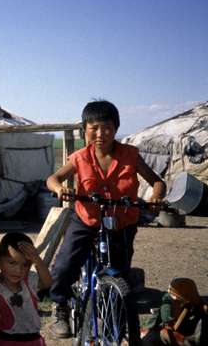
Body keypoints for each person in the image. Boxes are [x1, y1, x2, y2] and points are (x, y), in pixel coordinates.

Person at [46, 99, 166, 338]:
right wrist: (60, 189)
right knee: (63, 266)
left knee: (120, 274)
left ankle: (113, 316)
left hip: (121, 223)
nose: (101, 134)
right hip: (87, 220)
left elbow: (157, 181)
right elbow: (53, 178)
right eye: (94, 128)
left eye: (107, 127)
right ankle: (59, 305)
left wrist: (155, 197)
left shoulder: (130, 155)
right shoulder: (80, 157)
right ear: (85, 130)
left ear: (116, 128)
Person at [0, 233, 51, 346]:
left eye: (25, 265)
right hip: (7, 342)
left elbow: (47, 283)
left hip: (35, 341)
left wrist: (37, 259)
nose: (18, 270)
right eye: (12, 263)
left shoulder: (29, 281)